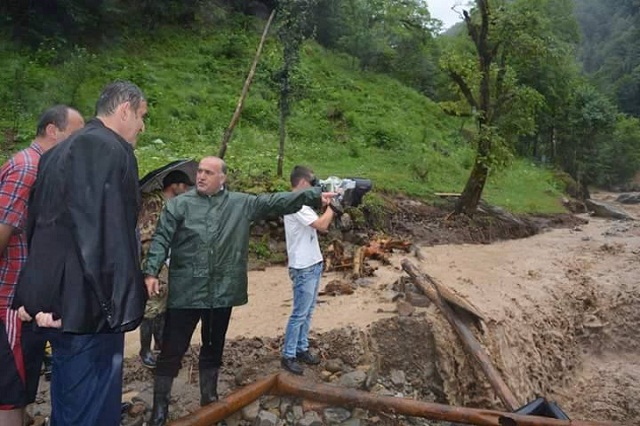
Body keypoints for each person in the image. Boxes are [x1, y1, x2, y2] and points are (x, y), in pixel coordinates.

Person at [143, 156, 334, 426]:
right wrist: (151, 271)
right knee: (172, 350)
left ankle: (209, 400)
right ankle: (159, 409)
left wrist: (315, 194)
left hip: (222, 291)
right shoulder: (179, 205)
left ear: (222, 179)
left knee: (213, 347)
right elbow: (161, 238)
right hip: (186, 290)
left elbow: (277, 201)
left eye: (208, 173)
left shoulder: (240, 204)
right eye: (199, 171)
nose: (201, 176)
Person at [14, 80, 148, 426]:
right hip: (89, 311)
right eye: (141, 116)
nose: (142, 127)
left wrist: (42, 300)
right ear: (124, 110)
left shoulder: (57, 151)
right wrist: (117, 307)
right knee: (91, 409)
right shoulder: (110, 149)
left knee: (68, 402)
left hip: (59, 307)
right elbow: (105, 236)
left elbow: (40, 230)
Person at [0, 105, 84, 426]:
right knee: (9, 391)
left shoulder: (45, 167)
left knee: (18, 388)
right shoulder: (28, 168)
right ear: (53, 131)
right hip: (9, 298)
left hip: (25, 298)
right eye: (75, 134)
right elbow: (3, 228)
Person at [280, 166, 335, 375]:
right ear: (303, 183)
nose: (315, 187)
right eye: (312, 183)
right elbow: (322, 225)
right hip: (303, 266)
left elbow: (321, 225)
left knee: (308, 311)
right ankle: (288, 354)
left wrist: (327, 206)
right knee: (299, 313)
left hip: (312, 263)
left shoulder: (301, 203)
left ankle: (301, 348)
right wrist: (334, 208)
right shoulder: (296, 204)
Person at [138, 170, 193, 368]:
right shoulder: (154, 203)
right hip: (153, 262)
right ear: (175, 186)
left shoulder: (172, 205)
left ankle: (160, 345)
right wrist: (153, 265)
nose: (187, 190)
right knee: (152, 307)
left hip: (167, 261)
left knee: (163, 306)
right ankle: (145, 351)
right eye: (185, 186)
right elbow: (147, 236)